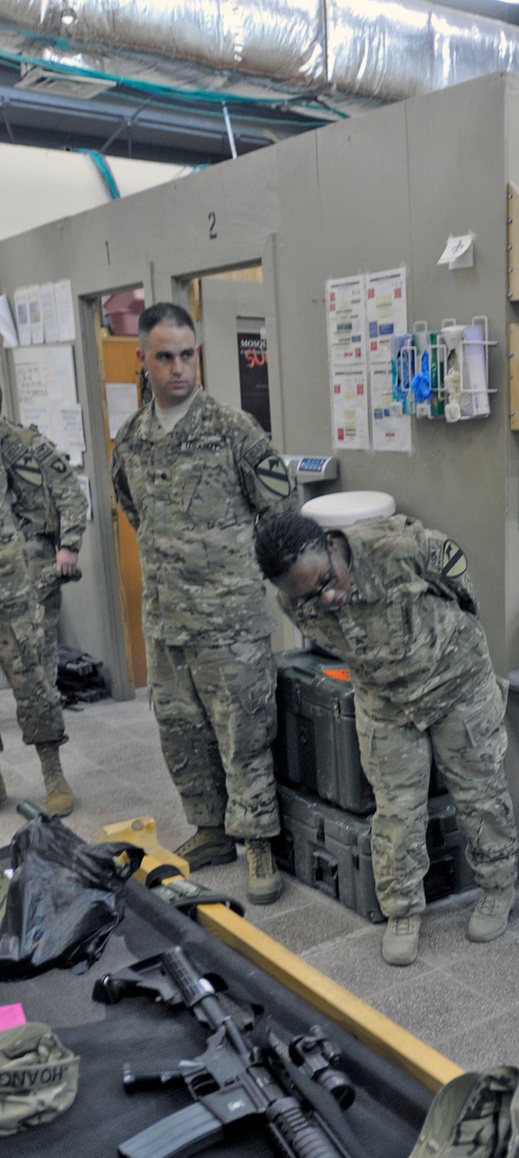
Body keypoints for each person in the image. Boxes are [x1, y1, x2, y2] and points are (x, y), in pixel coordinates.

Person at [254, 510, 518, 965]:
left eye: (327, 580)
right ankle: (402, 910)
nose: (328, 596)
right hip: (384, 699)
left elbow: (462, 591)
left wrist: (446, 640)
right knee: (396, 809)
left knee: (479, 791)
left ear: (332, 546)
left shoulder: (400, 548)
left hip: (456, 680)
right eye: (311, 596)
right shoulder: (294, 600)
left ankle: (498, 886)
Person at [111, 302, 294, 904]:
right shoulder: (132, 441)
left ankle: (260, 841)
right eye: (164, 357)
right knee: (182, 734)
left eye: (187, 355)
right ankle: (211, 830)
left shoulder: (233, 430)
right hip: (166, 623)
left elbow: (281, 513)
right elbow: (135, 512)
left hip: (230, 622)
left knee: (244, 733)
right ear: (143, 360)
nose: (178, 369)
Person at [0, 440, 72, 813]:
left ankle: (53, 772)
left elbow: (62, 493)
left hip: (15, 586)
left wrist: (66, 545)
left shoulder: (14, 443)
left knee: (34, 680)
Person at [0, 388, 88, 687]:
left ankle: (46, 717)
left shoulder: (27, 444)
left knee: (36, 650)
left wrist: (69, 545)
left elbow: (70, 494)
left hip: (30, 560)